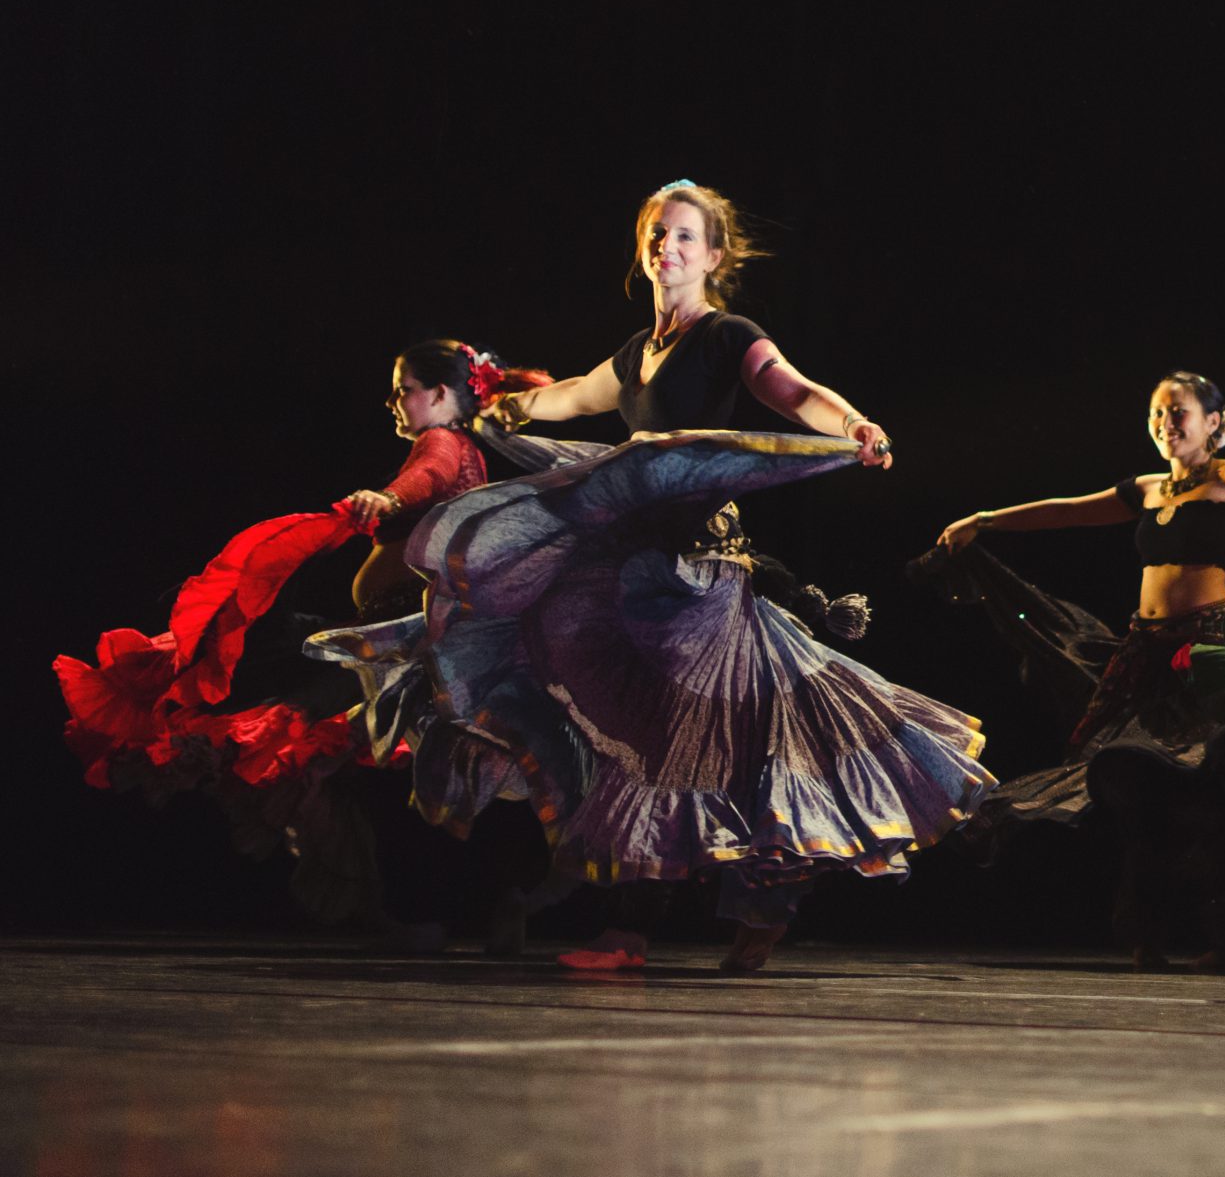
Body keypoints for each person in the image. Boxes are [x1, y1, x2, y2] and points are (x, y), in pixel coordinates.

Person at [412, 180, 993, 972]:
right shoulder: (635, 353)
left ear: (713, 255)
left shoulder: (726, 335)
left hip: (699, 581)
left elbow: (791, 389)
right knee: (640, 750)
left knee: (724, 746)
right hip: (633, 578)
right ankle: (635, 924)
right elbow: (574, 397)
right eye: (656, 235)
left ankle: (759, 900)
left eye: (684, 236)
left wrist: (850, 422)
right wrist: (507, 407)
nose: (667, 249)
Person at [54, 339, 548, 935]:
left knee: (329, 751)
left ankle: (458, 903)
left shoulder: (443, 442)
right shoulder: (461, 446)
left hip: (405, 651)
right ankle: (428, 907)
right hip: (402, 645)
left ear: (440, 395)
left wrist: (389, 497)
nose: (393, 400)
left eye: (404, 388)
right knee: (351, 770)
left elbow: (428, 475)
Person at [925, 371, 1225, 968]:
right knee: (1135, 786)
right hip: (1144, 653)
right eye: (1156, 414)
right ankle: (1144, 930)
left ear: (1214, 423)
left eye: (1179, 413)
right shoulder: (1150, 490)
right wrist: (987, 518)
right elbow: (1069, 512)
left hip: (1205, 654)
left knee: (1216, 789)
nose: (1166, 424)